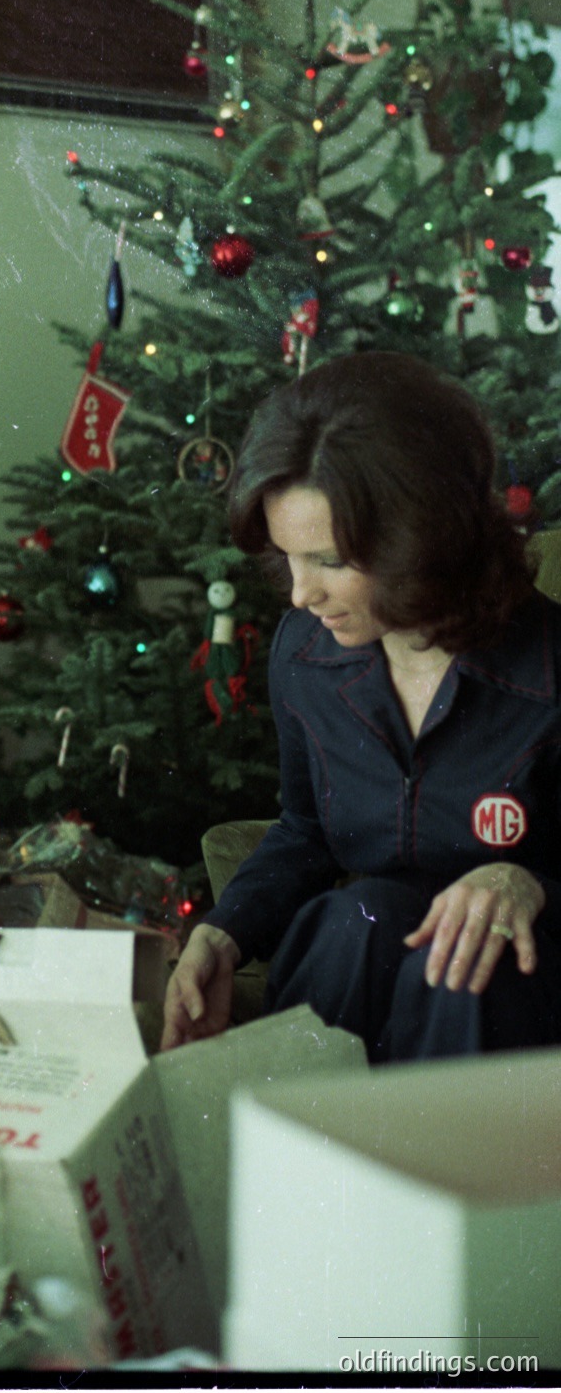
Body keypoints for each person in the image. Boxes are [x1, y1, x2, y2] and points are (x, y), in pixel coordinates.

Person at [161, 352, 561, 1063]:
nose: (299, 595)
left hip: (518, 985)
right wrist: (223, 932)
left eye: (331, 562)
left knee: (468, 970)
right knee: (356, 921)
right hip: (369, 950)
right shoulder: (305, 656)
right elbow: (306, 830)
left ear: (423, 537)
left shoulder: (549, 669)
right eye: (289, 558)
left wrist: (529, 880)